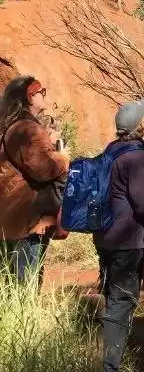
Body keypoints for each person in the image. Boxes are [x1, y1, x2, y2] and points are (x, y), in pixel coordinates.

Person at [94, 96, 144, 372]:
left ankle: (111, 355)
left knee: (112, 296)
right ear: (141, 123)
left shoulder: (111, 150)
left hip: (104, 236)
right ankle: (111, 366)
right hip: (127, 241)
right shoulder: (136, 156)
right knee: (122, 300)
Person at [0, 76, 70, 283]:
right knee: (26, 284)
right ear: (31, 97)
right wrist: (62, 157)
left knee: (12, 283)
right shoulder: (28, 130)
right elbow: (45, 169)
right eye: (41, 92)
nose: (44, 95)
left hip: (12, 219)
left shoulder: (12, 126)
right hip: (28, 222)